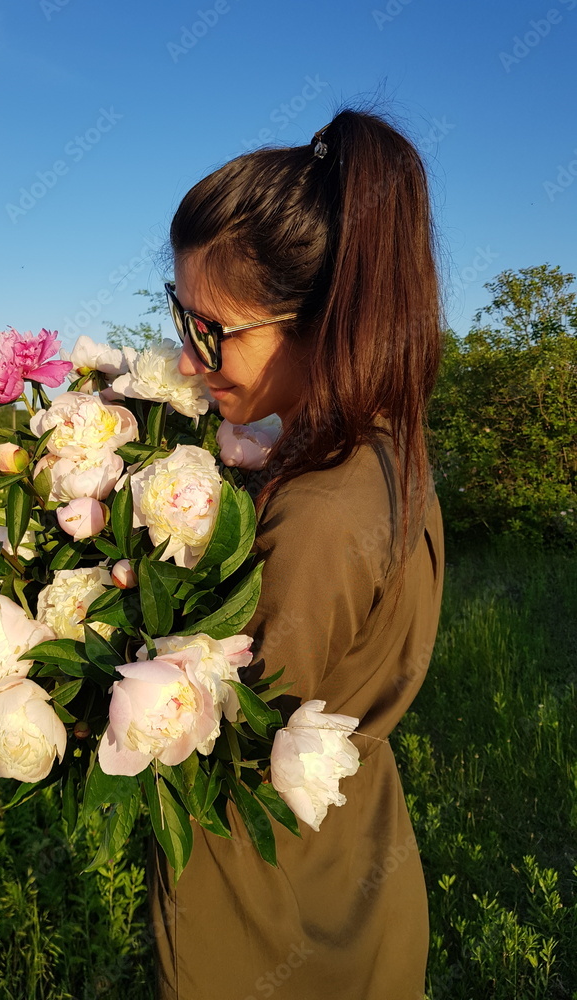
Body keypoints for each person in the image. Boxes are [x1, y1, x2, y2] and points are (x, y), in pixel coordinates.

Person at [147, 105, 446, 1000]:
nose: (190, 357)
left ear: (318, 318)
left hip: (281, 917)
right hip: (350, 868)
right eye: (179, 317)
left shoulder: (322, 509)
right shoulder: (371, 439)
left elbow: (223, 730)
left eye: (212, 330)